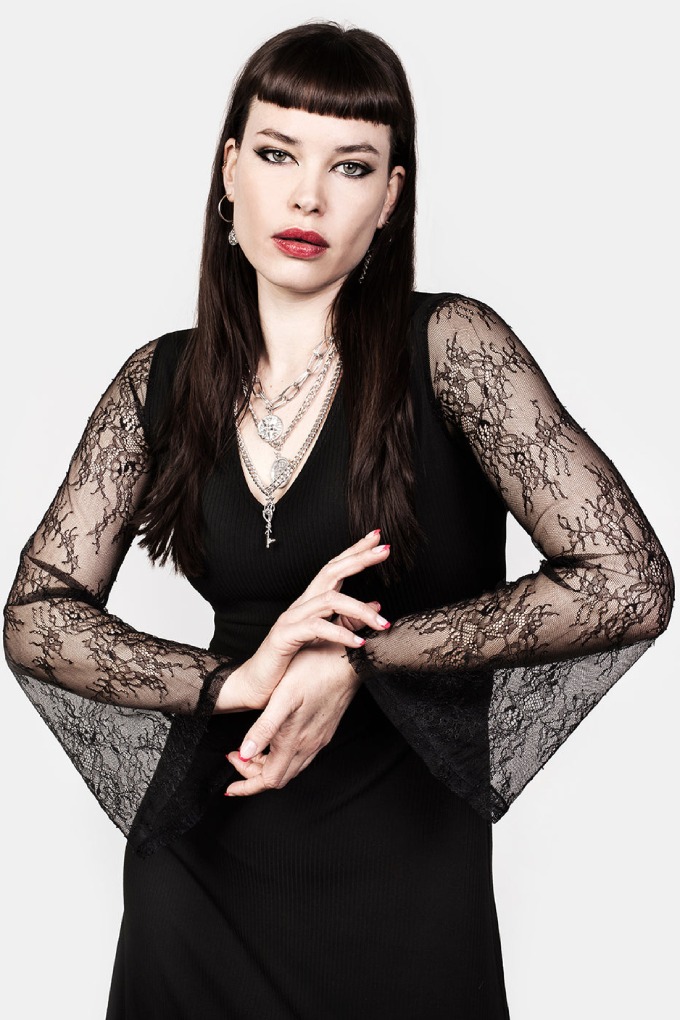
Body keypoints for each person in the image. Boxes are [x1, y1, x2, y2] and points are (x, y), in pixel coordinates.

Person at [3, 20, 673, 1020]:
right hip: (203, 873)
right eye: (278, 154)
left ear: (390, 197)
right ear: (230, 169)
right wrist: (234, 682)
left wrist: (359, 658)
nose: (308, 196)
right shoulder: (160, 379)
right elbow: (36, 616)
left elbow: (627, 580)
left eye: (350, 166)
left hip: (404, 881)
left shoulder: (450, 347)